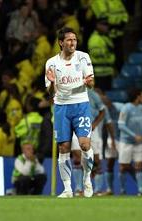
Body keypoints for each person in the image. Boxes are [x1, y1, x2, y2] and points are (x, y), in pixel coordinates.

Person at [45, 27, 95, 198]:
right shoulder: (51, 63)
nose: (73, 42)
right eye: (69, 40)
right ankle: (67, 189)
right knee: (64, 147)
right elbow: (51, 93)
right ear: (61, 43)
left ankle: (87, 180)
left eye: (74, 39)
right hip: (61, 107)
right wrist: (52, 83)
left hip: (81, 105)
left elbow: (91, 83)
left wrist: (87, 82)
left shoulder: (83, 57)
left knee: (84, 145)